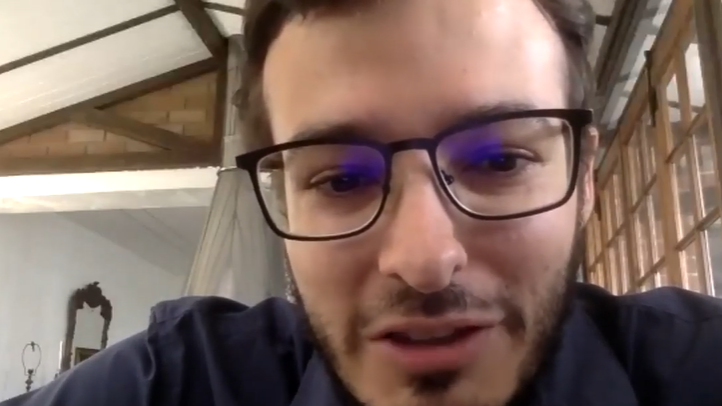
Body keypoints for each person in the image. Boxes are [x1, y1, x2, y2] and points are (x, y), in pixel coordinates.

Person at [5, 0, 722, 405]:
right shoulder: (186, 385)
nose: (425, 260)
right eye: (341, 181)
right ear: (283, 195)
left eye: (500, 161)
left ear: (586, 176)